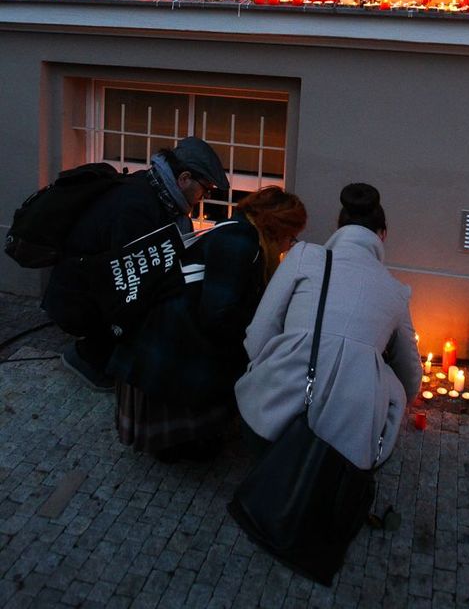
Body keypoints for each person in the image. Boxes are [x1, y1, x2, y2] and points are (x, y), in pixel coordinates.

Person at [109, 186, 307, 462]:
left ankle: (182, 441)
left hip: (165, 339)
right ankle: (181, 444)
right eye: (292, 236)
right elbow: (218, 314)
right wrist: (251, 340)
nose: (290, 244)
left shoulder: (232, 229)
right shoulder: (241, 244)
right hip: (172, 348)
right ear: (277, 229)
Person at [235, 183, 422, 470]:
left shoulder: (303, 257)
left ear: (338, 226)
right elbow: (410, 377)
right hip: (349, 439)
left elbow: (258, 335)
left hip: (273, 411)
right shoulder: (395, 291)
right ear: (382, 235)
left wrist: (269, 367)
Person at [42, 136, 227, 391]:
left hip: (87, 284)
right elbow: (130, 279)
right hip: (78, 296)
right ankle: (89, 357)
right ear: (184, 178)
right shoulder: (137, 206)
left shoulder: (154, 191)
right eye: (205, 188)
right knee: (154, 302)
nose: (205, 195)